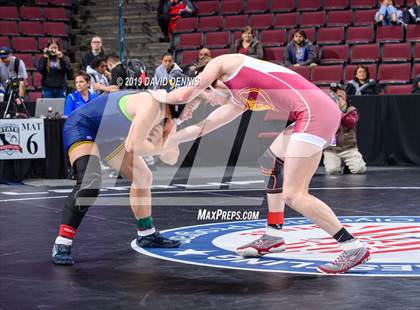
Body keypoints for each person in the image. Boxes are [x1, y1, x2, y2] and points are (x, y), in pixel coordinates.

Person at [151, 54, 371, 274]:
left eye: (209, 101)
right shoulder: (239, 99)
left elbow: (185, 93)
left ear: (208, 86)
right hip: (313, 111)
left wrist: (156, 103)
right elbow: (203, 128)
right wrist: (170, 140)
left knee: (295, 195)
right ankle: (273, 235)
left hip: (314, 113)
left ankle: (352, 247)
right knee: (270, 160)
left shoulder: (225, 63)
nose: (215, 104)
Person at [53, 90, 181, 265]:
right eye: (192, 105)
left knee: (143, 176)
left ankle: (146, 234)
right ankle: (63, 242)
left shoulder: (171, 119)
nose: (192, 112)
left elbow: (172, 158)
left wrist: (165, 141)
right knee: (90, 182)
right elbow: (135, 146)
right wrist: (159, 146)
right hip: (82, 125)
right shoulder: (151, 104)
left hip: (108, 136)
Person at [323, 84, 366, 175]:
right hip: (331, 149)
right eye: (335, 97)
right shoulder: (325, 112)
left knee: (360, 170)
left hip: (349, 148)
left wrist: (339, 111)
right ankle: (339, 163)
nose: (337, 99)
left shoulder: (351, 110)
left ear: (345, 98)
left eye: (340, 96)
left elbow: (350, 123)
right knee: (332, 171)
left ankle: (347, 164)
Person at [0, 46, 28, 117]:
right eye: (1, 57)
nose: (3, 59)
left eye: (5, 57)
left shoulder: (18, 63)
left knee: (19, 112)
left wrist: (20, 97)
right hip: (3, 90)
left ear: (10, 55)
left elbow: (22, 81)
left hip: (17, 90)